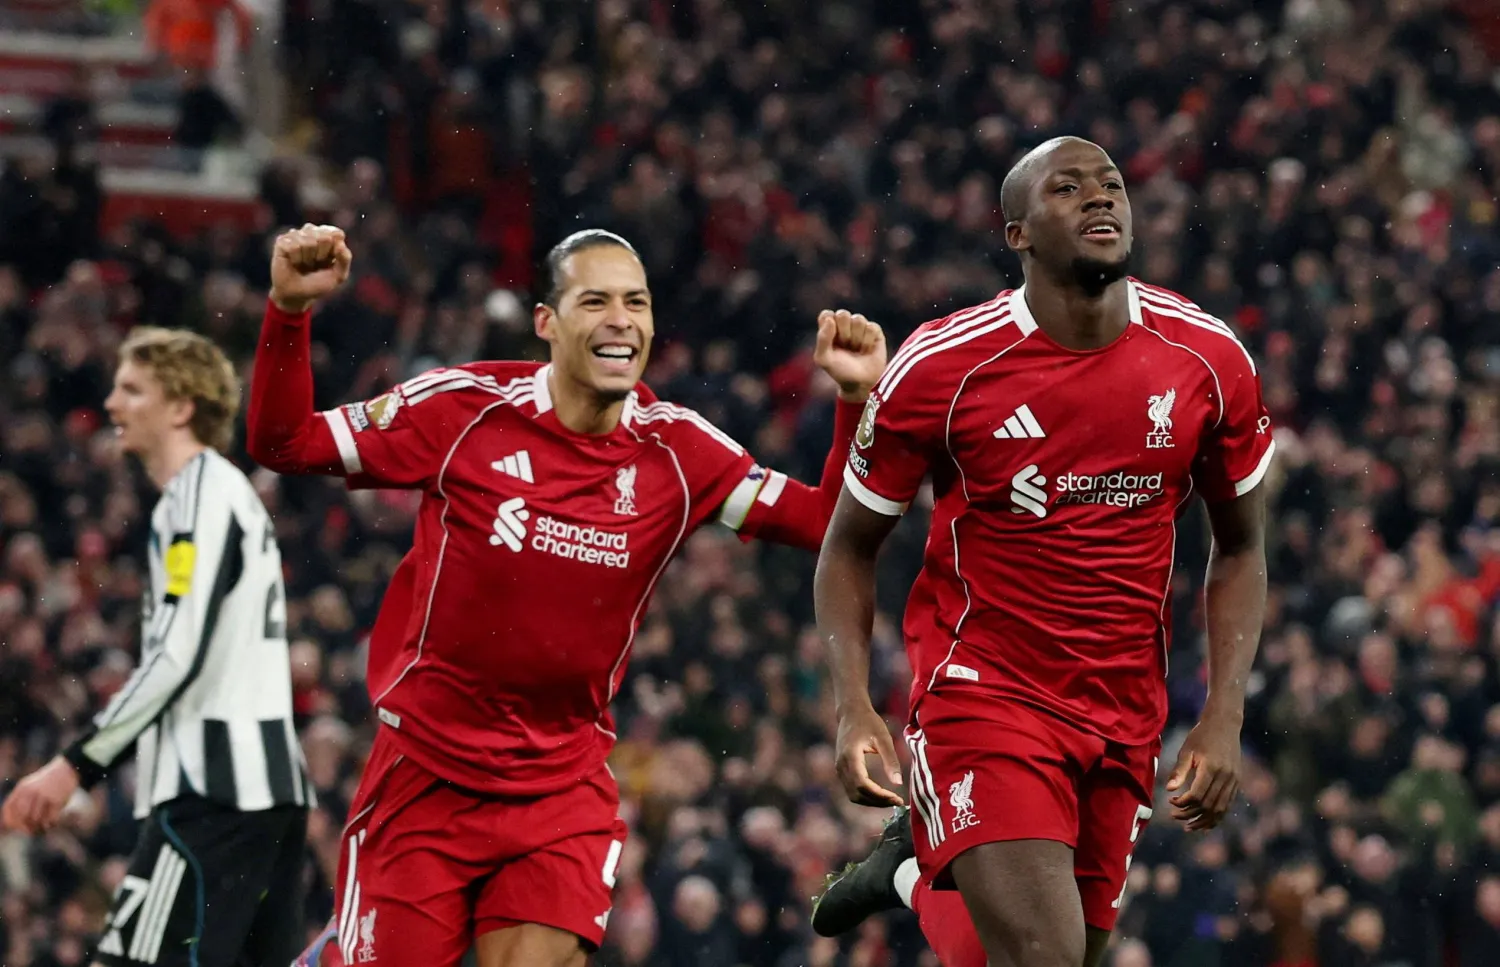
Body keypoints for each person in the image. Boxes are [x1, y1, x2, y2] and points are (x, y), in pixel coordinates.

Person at [245, 225, 887, 967]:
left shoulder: (677, 452)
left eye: (637, 302)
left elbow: (820, 521)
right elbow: (284, 442)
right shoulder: (465, 413)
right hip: (424, 779)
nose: (622, 319)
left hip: (559, 789)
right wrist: (288, 312)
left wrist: (853, 400)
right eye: (596, 300)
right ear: (547, 322)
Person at [810, 137, 1272, 967]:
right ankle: (927, 847)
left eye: (1112, 184)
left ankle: (917, 870)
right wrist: (852, 702)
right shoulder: (943, 366)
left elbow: (1240, 549)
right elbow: (848, 546)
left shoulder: (1207, 358)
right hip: (985, 698)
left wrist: (1224, 713)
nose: (1101, 198)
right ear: (1018, 233)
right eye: (1068, 188)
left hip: (1125, 710)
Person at [2, 327, 312, 966]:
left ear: (180, 406)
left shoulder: (198, 496)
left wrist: (74, 766)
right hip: (265, 792)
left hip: (214, 795)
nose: (113, 404)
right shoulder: (220, 496)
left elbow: (177, 653)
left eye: (132, 389)